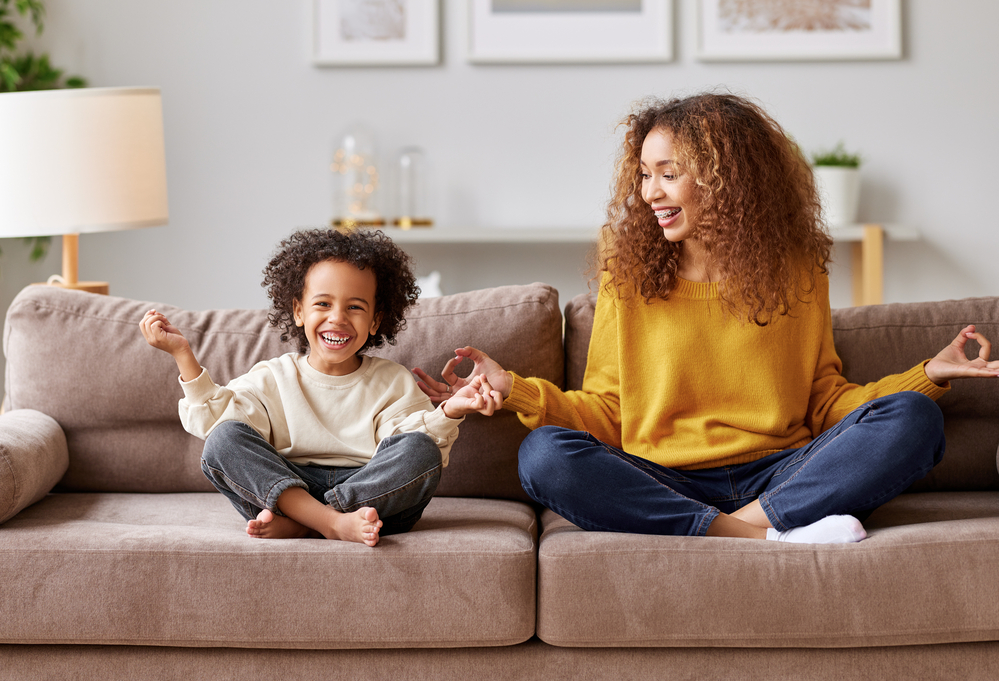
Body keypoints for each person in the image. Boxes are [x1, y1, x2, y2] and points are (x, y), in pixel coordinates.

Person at [414, 92, 999, 544]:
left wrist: (931, 374)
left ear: (728, 178)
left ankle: (740, 526)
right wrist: (513, 389)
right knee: (543, 456)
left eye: (669, 174)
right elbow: (610, 413)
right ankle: (763, 535)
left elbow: (824, 400)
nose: (649, 193)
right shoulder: (629, 271)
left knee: (914, 417)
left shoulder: (795, 270)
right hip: (662, 475)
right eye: (644, 174)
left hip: (782, 471)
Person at [141, 228, 502, 546]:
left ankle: (308, 525)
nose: (337, 318)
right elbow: (215, 422)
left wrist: (450, 411)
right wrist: (183, 355)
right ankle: (329, 523)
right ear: (298, 311)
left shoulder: (391, 381)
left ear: (376, 319)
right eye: (323, 304)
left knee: (421, 452)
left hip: (369, 493)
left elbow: (409, 443)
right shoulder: (273, 376)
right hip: (285, 487)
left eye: (355, 307)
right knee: (223, 441)